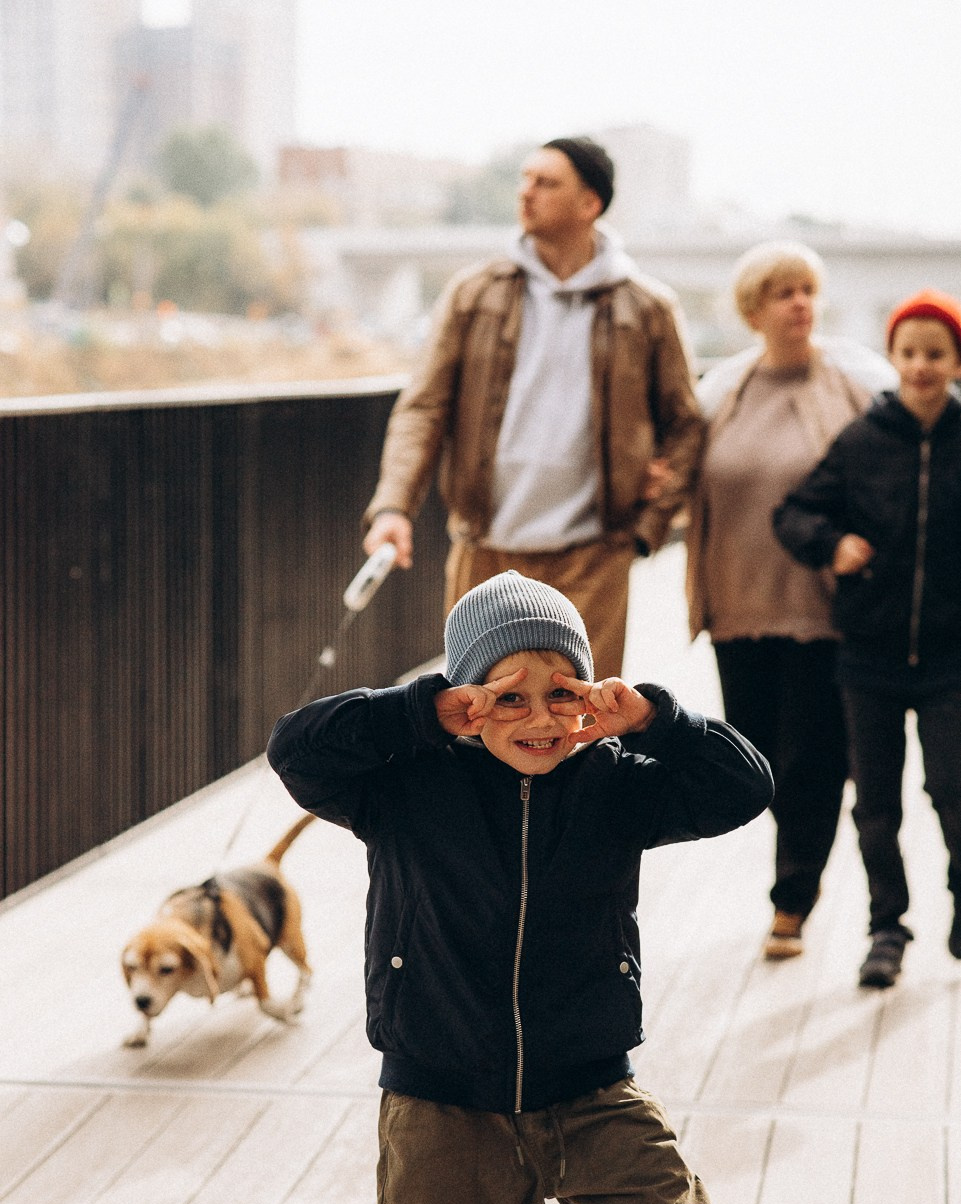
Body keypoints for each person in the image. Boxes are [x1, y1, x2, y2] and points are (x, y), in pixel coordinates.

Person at [267, 570, 891, 1204]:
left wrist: (656, 719)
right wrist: (417, 713)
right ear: (466, 699)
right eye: (505, 695)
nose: (536, 718)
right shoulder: (403, 787)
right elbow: (295, 749)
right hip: (441, 1106)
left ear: (590, 697)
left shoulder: (615, 779)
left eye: (558, 693)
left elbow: (742, 788)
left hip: (594, 1096)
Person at [361, 135, 703, 680]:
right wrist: (392, 507)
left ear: (590, 204)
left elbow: (686, 423)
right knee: (478, 715)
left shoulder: (647, 307)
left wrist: (649, 524)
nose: (526, 193)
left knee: (580, 719)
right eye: (524, 179)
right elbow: (423, 408)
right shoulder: (474, 294)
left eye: (546, 183)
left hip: (595, 553)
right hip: (487, 550)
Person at [687, 241, 895, 960]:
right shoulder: (722, 392)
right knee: (758, 755)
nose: (799, 304)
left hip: (824, 609)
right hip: (735, 605)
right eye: (782, 292)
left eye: (806, 290)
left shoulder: (852, 386)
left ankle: (791, 899)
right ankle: (794, 868)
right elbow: (681, 476)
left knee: (813, 755)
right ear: (752, 310)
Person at [774, 289, 961, 989]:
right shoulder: (861, 440)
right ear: (893, 357)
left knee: (953, 791)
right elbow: (791, 513)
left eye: (934, 354)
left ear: (954, 361)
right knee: (874, 806)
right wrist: (831, 545)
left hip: (950, 659)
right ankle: (887, 929)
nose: (919, 366)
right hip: (868, 657)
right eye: (908, 353)